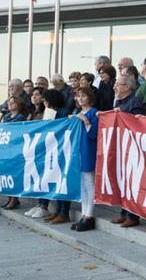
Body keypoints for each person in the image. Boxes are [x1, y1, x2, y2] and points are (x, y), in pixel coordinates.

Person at [24, 89, 73, 224]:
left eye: (46, 100)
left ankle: (64, 212)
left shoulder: (62, 112)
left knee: (62, 181)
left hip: (61, 149)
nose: (44, 102)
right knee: (53, 180)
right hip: (50, 149)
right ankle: (57, 211)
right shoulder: (46, 112)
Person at [110, 75, 146, 228]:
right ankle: (124, 212)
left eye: (118, 84)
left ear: (127, 87)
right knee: (123, 181)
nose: (114, 87)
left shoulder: (135, 102)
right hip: (121, 146)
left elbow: (137, 122)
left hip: (132, 147)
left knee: (132, 181)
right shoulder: (119, 102)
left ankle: (133, 215)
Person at [72, 87, 99, 232]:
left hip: (88, 149)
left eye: (83, 96)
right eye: (78, 96)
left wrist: (86, 121)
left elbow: (94, 133)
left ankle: (89, 215)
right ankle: (83, 214)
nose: (81, 99)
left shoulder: (94, 112)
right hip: (78, 151)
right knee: (82, 184)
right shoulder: (77, 113)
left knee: (89, 183)